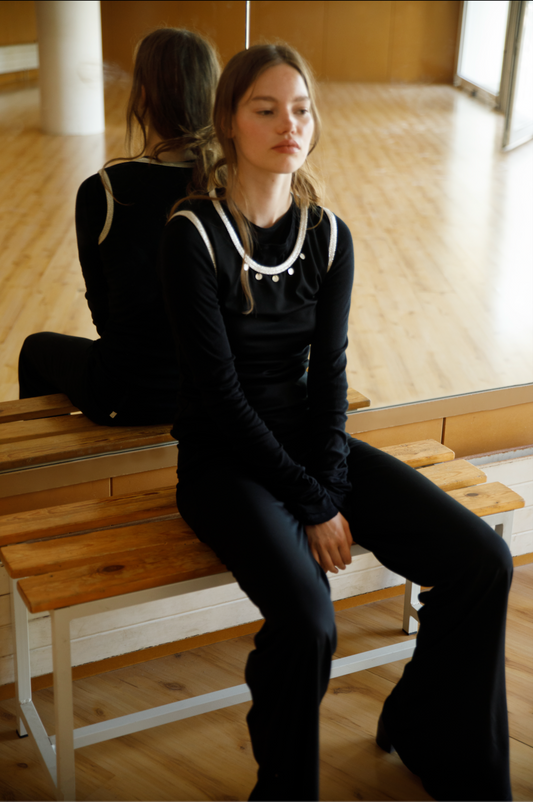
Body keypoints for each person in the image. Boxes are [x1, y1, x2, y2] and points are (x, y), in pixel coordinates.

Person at [159, 44, 513, 802]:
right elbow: (218, 395)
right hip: (221, 465)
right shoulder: (190, 233)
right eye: (266, 109)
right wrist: (315, 501)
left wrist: (328, 480)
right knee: (309, 624)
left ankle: (427, 730)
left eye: (301, 108)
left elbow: (329, 378)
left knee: (480, 561)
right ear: (228, 123)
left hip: (305, 450)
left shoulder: (327, 234)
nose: (289, 123)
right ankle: (283, 788)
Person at [18, 28, 219, 426]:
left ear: (143, 96)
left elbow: (104, 313)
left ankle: (42, 471)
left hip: (127, 396)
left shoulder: (104, 191)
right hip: (213, 395)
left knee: (34, 350)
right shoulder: (230, 187)